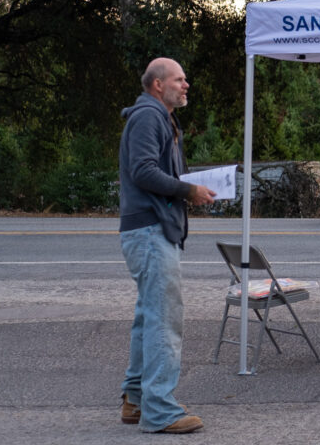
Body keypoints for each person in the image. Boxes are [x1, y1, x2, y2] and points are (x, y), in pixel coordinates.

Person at [117, 57, 216, 433]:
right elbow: (143, 171)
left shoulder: (161, 118)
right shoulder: (148, 116)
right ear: (158, 84)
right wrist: (187, 189)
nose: (186, 84)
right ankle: (159, 410)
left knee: (149, 317)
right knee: (163, 321)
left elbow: (154, 172)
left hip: (150, 230)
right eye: (179, 79)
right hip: (150, 231)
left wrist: (191, 189)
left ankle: (135, 400)